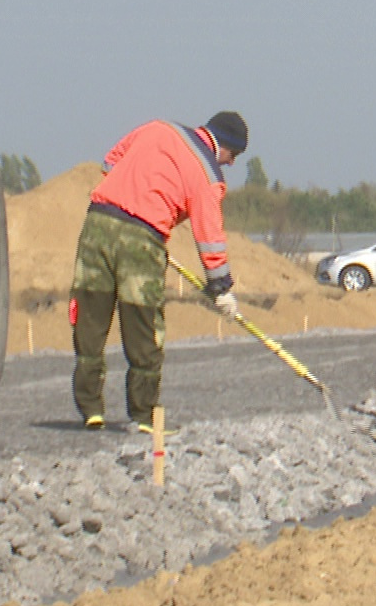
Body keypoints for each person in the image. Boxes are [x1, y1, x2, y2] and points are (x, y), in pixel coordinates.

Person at [70, 111, 247, 432]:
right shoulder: (208, 175)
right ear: (224, 146)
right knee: (144, 325)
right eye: (233, 156)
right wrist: (221, 288)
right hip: (143, 240)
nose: (231, 164)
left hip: (97, 223)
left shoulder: (158, 128)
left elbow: (110, 163)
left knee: (90, 318)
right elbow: (210, 237)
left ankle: (91, 409)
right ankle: (144, 415)